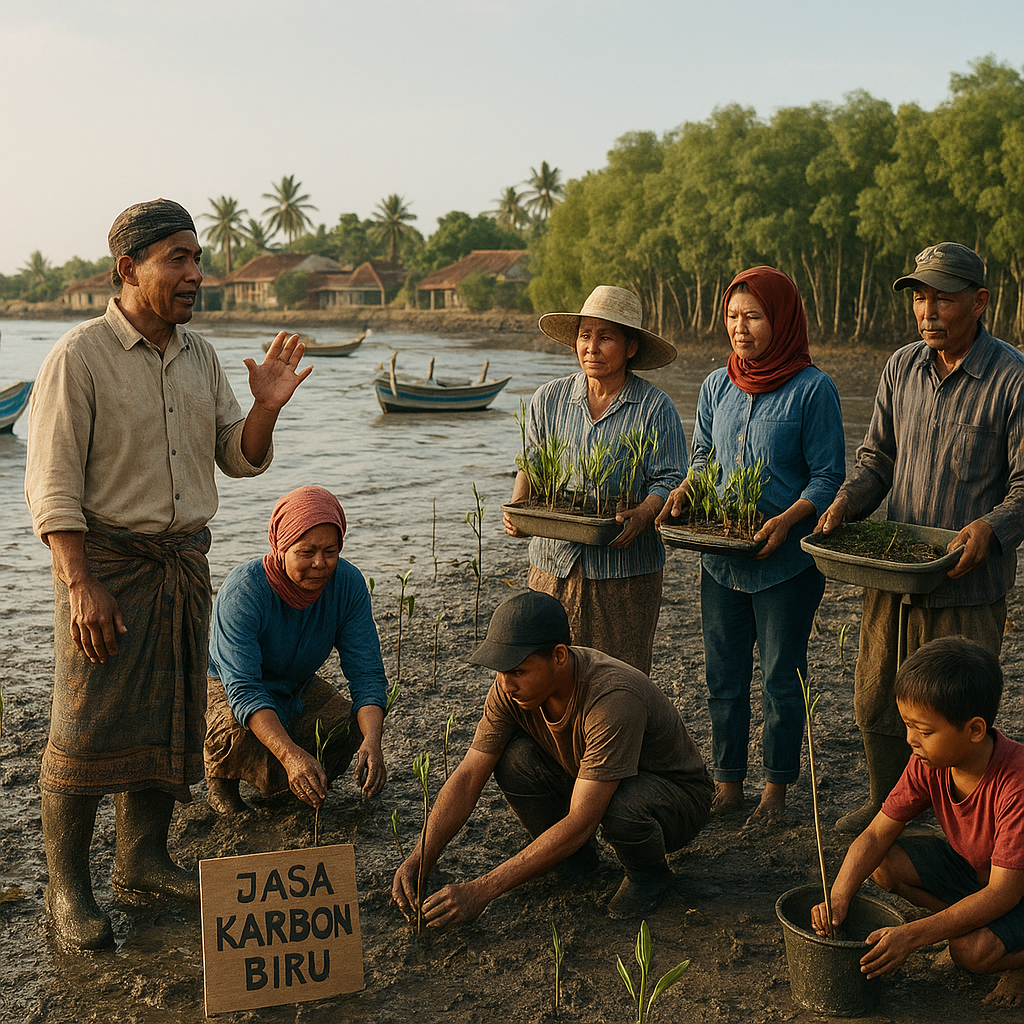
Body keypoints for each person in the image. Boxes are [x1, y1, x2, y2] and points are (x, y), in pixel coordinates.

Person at [24, 198, 311, 951]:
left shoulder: (203, 356)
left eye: (198, 259)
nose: (196, 274)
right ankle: (67, 889)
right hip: (107, 570)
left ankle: (143, 859)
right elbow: (50, 484)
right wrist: (79, 582)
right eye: (178, 259)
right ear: (129, 268)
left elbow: (238, 457)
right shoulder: (77, 357)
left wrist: (266, 408)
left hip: (180, 563)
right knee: (84, 729)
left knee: (170, 717)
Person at [816, 242, 1024, 834]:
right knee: (877, 699)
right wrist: (847, 500)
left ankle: (961, 821)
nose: (928, 311)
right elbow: (876, 461)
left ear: (980, 302)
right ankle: (892, 805)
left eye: (944, 298)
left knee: (957, 710)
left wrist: (991, 527)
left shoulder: (1012, 378)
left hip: (967, 580)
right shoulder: (901, 368)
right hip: (895, 572)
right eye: (920, 297)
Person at [391, 590, 712, 927]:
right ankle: (574, 859)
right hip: (590, 779)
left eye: (517, 672)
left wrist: (482, 890)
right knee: (513, 759)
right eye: (500, 672)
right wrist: (420, 856)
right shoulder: (509, 690)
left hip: (675, 800)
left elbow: (581, 820)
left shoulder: (613, 698)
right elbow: (469, 776)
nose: (505, 685)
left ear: (559, 656)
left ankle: (649, 875)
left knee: (621, 803)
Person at [657, 266, 845, 825]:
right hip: (721, 558)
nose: (741, 329)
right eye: (734, 317)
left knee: (781, 678)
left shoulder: (813, 388)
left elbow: (827, 478)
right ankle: (727, 782)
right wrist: (688, 490)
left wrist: (788, 522)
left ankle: (776, 790)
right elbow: (705, 458)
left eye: (754, 317)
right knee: (723, 675)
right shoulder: (717, 385)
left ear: (781, 319)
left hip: (786, 564)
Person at [812, 636, 1024, 1008]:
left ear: (974, 731)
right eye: (907, 726)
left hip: (1013, 890)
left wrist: (911, 936)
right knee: (882, 862)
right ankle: (969, 924)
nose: (911, 740)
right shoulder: (930, 762)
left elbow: (1004, 893)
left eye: (924, 731)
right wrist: (839, 896)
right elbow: (877, 832)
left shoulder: (1017, 784)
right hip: (979, 876)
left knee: (971, 953)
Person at [502, 286, 687, 675]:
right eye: (585, 336)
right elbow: (532, 463)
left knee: (617, 677)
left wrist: (644, 514)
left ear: (630, 347)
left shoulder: (655, 407)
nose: (591, 348)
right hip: (552, 564)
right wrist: (519, 510)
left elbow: (670, 478)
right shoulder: (549, 398)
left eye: (605, 338)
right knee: (547, 675)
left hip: (624, 572)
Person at [204, 485, 388, 814]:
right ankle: (221, 782)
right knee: (235, 729)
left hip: (295, 683)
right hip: (230, 684)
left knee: (346, 726)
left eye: (331, 552)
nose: (320, 564)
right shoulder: (244, 591)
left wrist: (372, 741)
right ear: (280, 546)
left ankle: (293, 781)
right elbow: (244, 689)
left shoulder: (348, 584)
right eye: (306, 552)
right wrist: (290, 755)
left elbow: (368, 674)